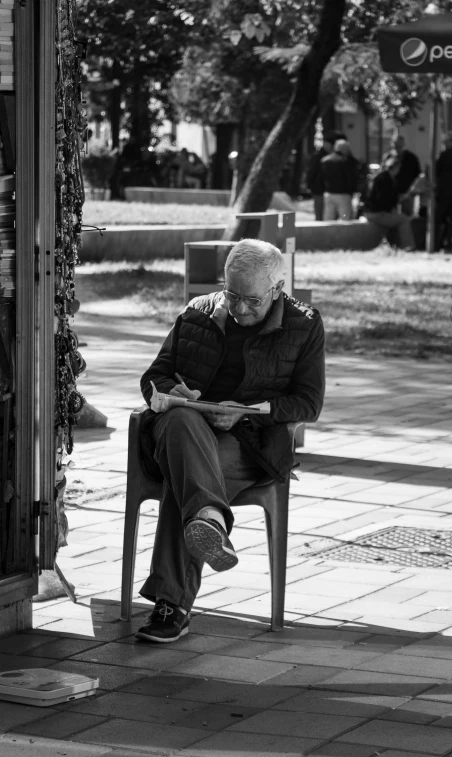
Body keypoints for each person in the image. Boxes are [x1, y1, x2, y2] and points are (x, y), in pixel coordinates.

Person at [134, 239, 325, 642]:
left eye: (251, 300)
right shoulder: (199, 312)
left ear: (277, 288)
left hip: (249, 443)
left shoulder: (303, 325)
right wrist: (174, 394)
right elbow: (155, 375)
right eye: (232, 295)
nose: (239, 308)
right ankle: (210, 520)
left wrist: (249, 409)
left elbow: (308, 403)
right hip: (182, 430)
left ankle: (172, 603)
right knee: (184, 426)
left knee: (185, 474)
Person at [363, 155, 415, 250]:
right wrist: (402, 197)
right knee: (404, 219)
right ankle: (408, 246)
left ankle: (392, 244)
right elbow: (386, 199)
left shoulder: (379, 177)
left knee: (395, 217)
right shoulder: (385, 179)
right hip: (377, 213)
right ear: (396, 168)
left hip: (371, 212)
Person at [320, 139, 359, 221]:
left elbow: (322, 178)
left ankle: (328, 234)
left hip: (329, 193)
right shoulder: (347, 162)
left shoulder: (325, 161)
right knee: (345, 219)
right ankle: (345, 234)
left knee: (328, 219)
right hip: (343, 194)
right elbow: (351, 178)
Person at [382, 134, 421, 216]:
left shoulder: (411, 158)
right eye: (395, 146)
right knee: (392, 215)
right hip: (391, 193)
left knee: (406, 216)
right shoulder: (388, 157)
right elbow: (382, 174)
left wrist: (411, 190)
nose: (397, 148)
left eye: (399, 146)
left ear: (403, 145)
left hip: (407, 192)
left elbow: (418, 175)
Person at [307, 134, 335, 220]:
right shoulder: (318, 155)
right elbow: (312, 172)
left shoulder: (332, 156)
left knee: (328, 215)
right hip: (319, 189)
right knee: (320, 213)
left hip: (329, 190)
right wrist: (311, 185)